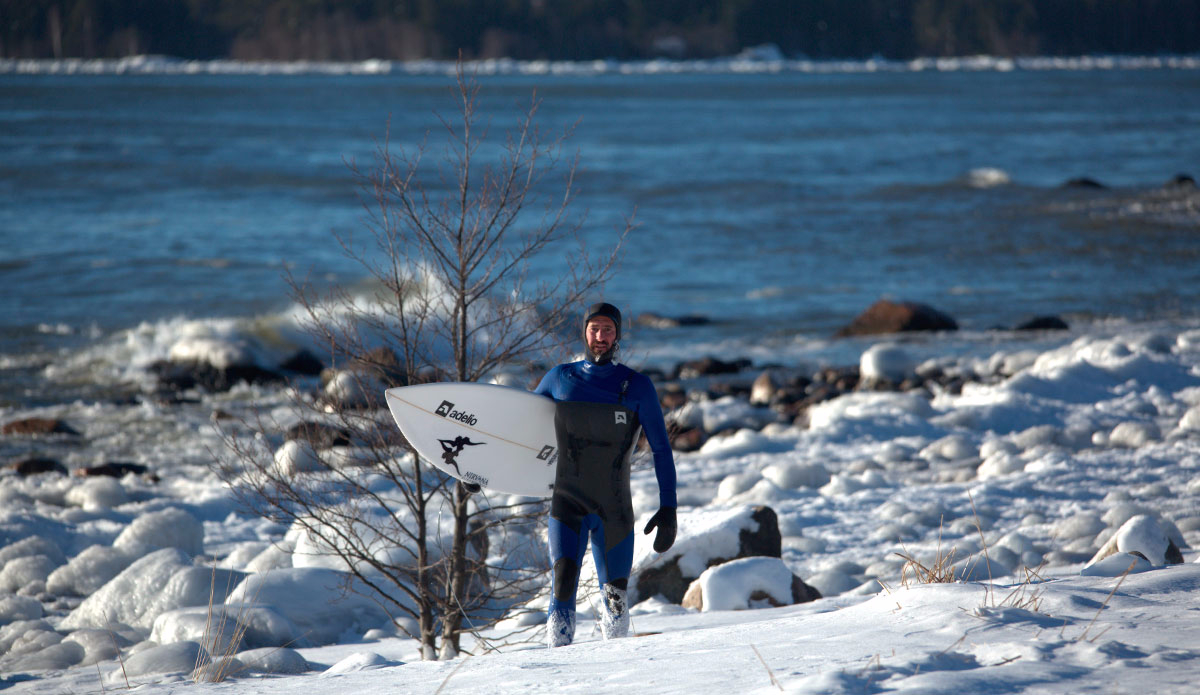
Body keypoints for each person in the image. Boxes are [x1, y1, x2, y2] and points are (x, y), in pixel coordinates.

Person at [533, 302, 677, 647]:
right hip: (566, 503)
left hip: (613, 507)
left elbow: (660, 449)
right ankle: (557, 664)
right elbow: (517, 430)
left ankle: (615, 665)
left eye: (608, 330)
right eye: (594, 329)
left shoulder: (637, 386)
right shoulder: (559, 378)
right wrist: (481, 469)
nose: (600, 336)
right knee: (562, 583)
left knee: (615, 595)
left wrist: (669, 507)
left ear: (618, 335)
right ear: (584, 332)